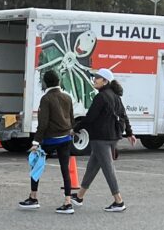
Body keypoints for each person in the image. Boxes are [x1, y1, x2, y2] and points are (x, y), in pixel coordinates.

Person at [72, 68, 136, 212]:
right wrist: (130, 133)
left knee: (108, 169)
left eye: (97, 78)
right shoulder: (115, 96)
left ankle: (119, 201)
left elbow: (90, 118)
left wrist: (75, 128)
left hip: (101, 138)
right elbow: (124, 116)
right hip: (112, 137)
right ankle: (79, 197)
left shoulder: (101, 97)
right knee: (92, 167)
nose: (94, 80)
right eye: (94, 77)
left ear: (105, 81)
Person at [18, 70, 76, 214]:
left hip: (50, 139)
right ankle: (67, 201)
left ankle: (33, 197)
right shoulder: (67, 97)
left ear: (45, 83)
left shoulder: (46, 99)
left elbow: (43, 124)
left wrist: (36, 142)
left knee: (36, 164)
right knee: (65, 169)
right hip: (66, 138)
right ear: (59, 82)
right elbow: (72, 118)